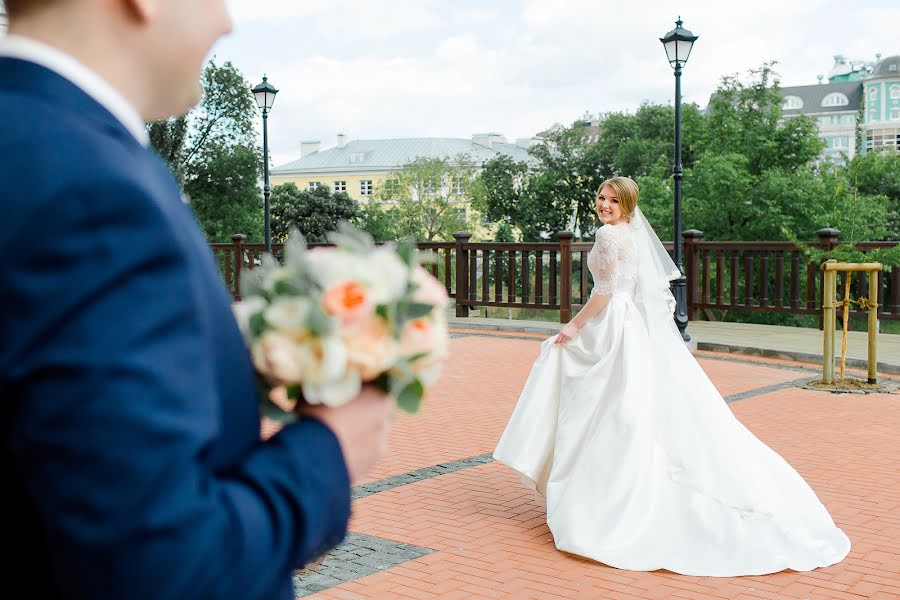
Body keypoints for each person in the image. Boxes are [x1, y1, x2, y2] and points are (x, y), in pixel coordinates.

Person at [0, 1, 394, 599]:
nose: (226, 22)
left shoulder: (34, 143)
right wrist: (329, 452)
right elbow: (158, 566)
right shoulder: (92, 186)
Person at [493, 176, 850, 576]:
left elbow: (605, 293)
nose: (604, 205)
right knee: (620, 405)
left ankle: (601, 497)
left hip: (613, 324)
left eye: (612, 200)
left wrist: (573, 326)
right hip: (629, 325)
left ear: (627, 205)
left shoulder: (609, 235)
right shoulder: (630, 233)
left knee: (603, 402)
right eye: (600, 197)